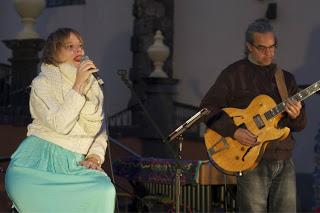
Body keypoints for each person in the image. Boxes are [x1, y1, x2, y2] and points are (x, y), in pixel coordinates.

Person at [200, 19, 307, 212]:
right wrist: (234, 131)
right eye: (261, 48)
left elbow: (299, 125)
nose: (269, 53)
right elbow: (207, 108)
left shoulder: (286, 79)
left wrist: (296, 115)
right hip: (249, 160)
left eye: (273, 47)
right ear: (248, 46)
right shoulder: (234, 74)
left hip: (284, 159)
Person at [5, 28, 116, 212]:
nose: (79, 51)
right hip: (37, 162)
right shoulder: (42, 83)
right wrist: (78, 84)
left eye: (80, 46)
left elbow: (100, 129)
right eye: (70, 46)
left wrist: (95, 156)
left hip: (75, 163)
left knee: (104, 190)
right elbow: (60, 124)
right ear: (54, 51)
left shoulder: (93, 86)